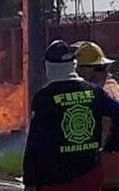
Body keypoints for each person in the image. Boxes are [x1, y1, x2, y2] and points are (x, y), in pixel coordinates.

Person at [23, 40, 119, 191]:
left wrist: (30, 180)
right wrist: (110, 147)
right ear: (74, 64)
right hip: (90, 175)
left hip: (54, 179)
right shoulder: (95, 92)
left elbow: (35, 143)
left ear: (47, 66)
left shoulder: (44, 98)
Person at [74, 41, 119, 190]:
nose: (105, 72)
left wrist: (108, 148)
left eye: (105, 68)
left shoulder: (103, 95)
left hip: (105, 175)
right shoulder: (102, 91)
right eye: (100, 68)